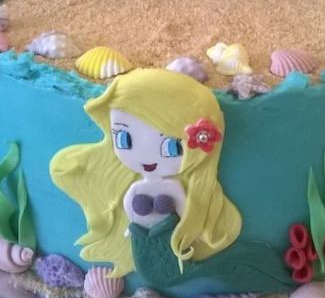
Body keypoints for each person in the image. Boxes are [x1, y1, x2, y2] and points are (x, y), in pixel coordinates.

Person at [50, 69, 242, 280]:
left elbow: (182, 206)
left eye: (172, 146)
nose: (147, 157)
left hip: (168, 231)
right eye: (125, 139)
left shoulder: (173, 187)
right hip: (140, 233)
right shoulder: (137, 188)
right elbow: (129, 202)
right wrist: (130, 227)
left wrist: (190, 226)